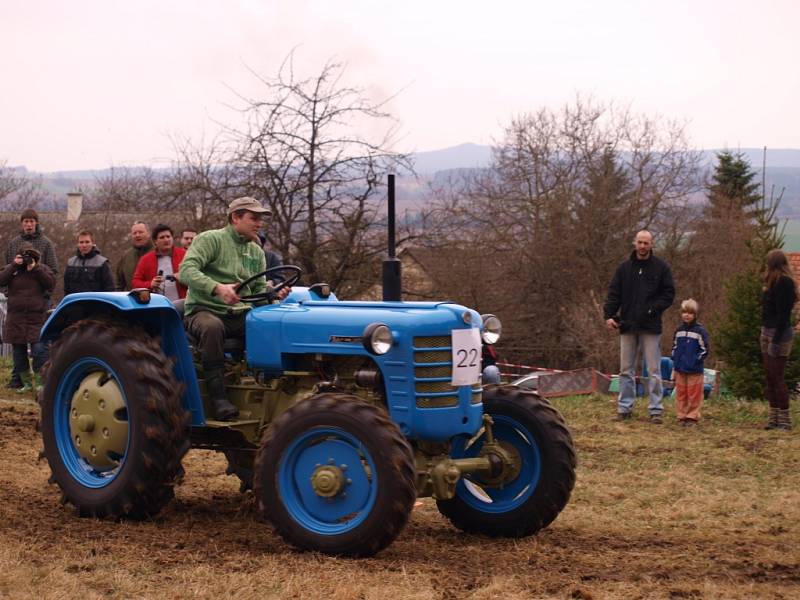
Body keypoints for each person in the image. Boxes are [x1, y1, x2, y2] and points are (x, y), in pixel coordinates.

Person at [179, 197, 291, 420]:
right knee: (212, 328)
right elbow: (186, 270)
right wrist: (217, 288)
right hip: (204, 309)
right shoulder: (210, 240)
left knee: (269, 326)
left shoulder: (256, 252)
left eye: (261, 219)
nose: (259, 224)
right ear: (235, 218)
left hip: (238, 312)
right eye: (254, 218)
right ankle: (218, 398)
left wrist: (274, 296)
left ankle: (272, 389)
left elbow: (258, 290)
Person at [603, 230, 675, 423]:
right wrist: (609, 315)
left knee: (654, 370)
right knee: (626, 369)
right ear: (635, 243)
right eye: (640, 242)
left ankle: (656, 410)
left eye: (646, 243)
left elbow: (668, 294)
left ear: (652, 244)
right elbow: (614, 292)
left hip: (651, 327)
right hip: (627, 325)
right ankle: (624, 408)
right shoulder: (624, 269)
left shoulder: (661, 268)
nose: (643, 246)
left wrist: (653, 310)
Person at [3, 208, 59, 389]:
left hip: (38, 302)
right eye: (25, 221)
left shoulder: (46, 243)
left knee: (40, 347)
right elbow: (5, 270)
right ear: (22, 223)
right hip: (17, 303)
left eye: (31, 221)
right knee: (18, 346)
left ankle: (42, 382)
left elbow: (53, 272)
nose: (28, 224)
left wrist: (36, 268)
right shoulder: (14, 244)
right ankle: (20, 381)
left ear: (36, 223)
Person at [0, 244, 55, 393]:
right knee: (18, 352)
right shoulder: (13, 270)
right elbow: (1, 280)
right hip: (16, 317)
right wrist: (13, 265)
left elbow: (50, 284)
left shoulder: (41, 269)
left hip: (36, 317)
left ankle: (40, 382)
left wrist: (34, 268)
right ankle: (26, 383)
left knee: (39, 350)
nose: (26, 260)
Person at [761, 249, 797, 431]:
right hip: (767, 331)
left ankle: (785, 419)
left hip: (779, 335)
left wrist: (775, 340)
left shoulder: (785, 283)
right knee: (769, 376)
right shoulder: (770, 282)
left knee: (777, 376)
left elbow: (784, 316)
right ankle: (773, 416)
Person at [670, 299, 709, 426]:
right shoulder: (679, 330)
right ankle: (682, 415)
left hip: (694, 370)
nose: (687, 315)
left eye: (690, 313)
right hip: (680, 368)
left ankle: (692, 417)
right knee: (681, 393)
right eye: (684, 312)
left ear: (695, 315)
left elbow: (705, 350)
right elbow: (674, 347)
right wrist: (675, 359)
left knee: (694, 394)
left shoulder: (700, 331)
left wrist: (695, 360)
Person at [131, 224, 187, 301]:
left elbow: (198, 276)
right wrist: (150, 284)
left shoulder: (184, 255)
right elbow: (135, 283)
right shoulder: (146, 259)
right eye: (162, 237)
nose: (166, 240)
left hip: (183, 304)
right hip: (157, 305)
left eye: (168, 236)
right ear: (155, 241)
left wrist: (183, 277)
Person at [63, 230, 115, 295]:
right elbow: (66, 289)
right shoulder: (70, 263)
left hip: (96, 303)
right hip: (75, 303)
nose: (84, 245)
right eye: (81, 242)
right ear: (78, 244)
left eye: (87, 242)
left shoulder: (102, 263)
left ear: (93, 243)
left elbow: (109, 289)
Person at [116, 221, 153, 291]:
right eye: (134, 233)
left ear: (148, 234)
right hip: (132, 300)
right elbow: (119, 285)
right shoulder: (125, 257)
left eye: (140, 232)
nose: (137, 235)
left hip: (155, 299)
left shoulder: (158, 253)